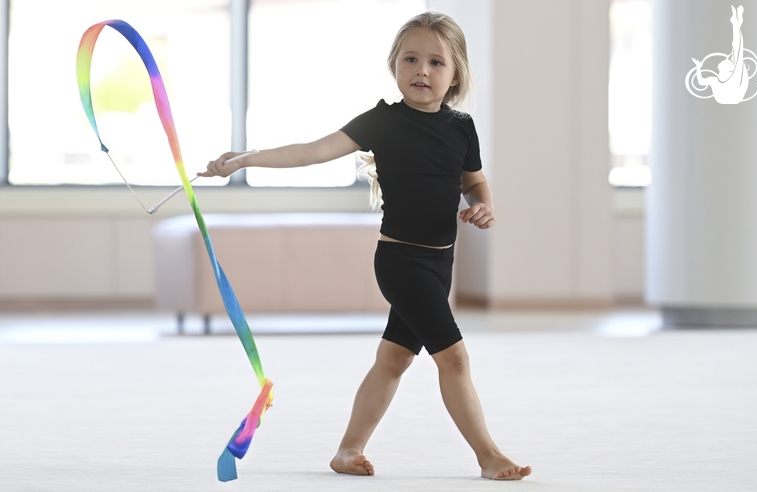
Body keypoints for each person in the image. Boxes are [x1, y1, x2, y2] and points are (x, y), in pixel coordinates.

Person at [199, 11, 532, 481]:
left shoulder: (462, 127)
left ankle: (347, 451)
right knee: (453, 357)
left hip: (441, 263)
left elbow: (475, 183)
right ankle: (488, 456)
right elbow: (312, 150)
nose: (422, 70)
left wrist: (484, 206)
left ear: (455, 73)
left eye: (436, 62)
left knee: (394, 358)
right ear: (394, 65)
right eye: (410, 59)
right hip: (400, 261)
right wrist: (245, 159)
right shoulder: (382, 121)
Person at [692, 5, 748, 104]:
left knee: (737, 51)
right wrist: (698, 67)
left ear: (728, 69)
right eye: (728, 61)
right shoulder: (715, 80)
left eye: (727, 61)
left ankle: (736, 23)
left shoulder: (731, 78)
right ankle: (736, 23)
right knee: (737, 52)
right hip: (729, 97)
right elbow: (701, 82)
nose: (725, 59)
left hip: (732, 96)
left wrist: (698, 68)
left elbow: (737, 49)